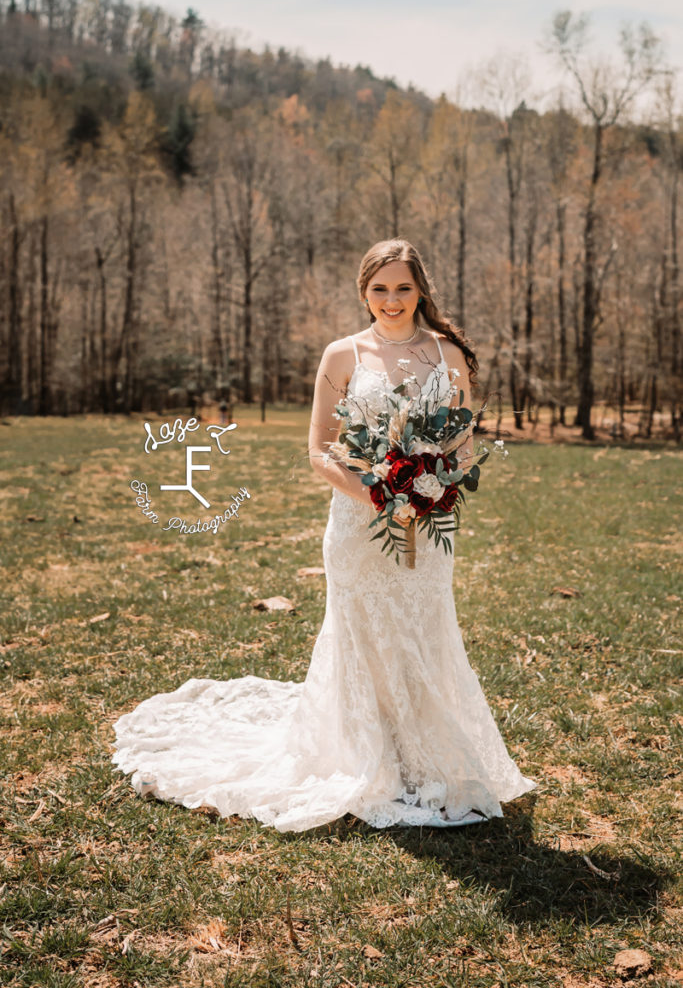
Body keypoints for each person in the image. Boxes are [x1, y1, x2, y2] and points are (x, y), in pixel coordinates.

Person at [111, 238, 537, 832]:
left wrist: (434, 488)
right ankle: (366, 757)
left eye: (404, 288)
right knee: (363, 634)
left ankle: (428, 755)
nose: (392, 300)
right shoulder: (342, 354)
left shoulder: (448, 355)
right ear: (363, 291)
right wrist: (378, 494)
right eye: (380, 288)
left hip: (429, 521)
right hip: (359, 521)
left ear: (421, 291)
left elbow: (462, 441)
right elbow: (317, 450)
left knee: (423, 627)